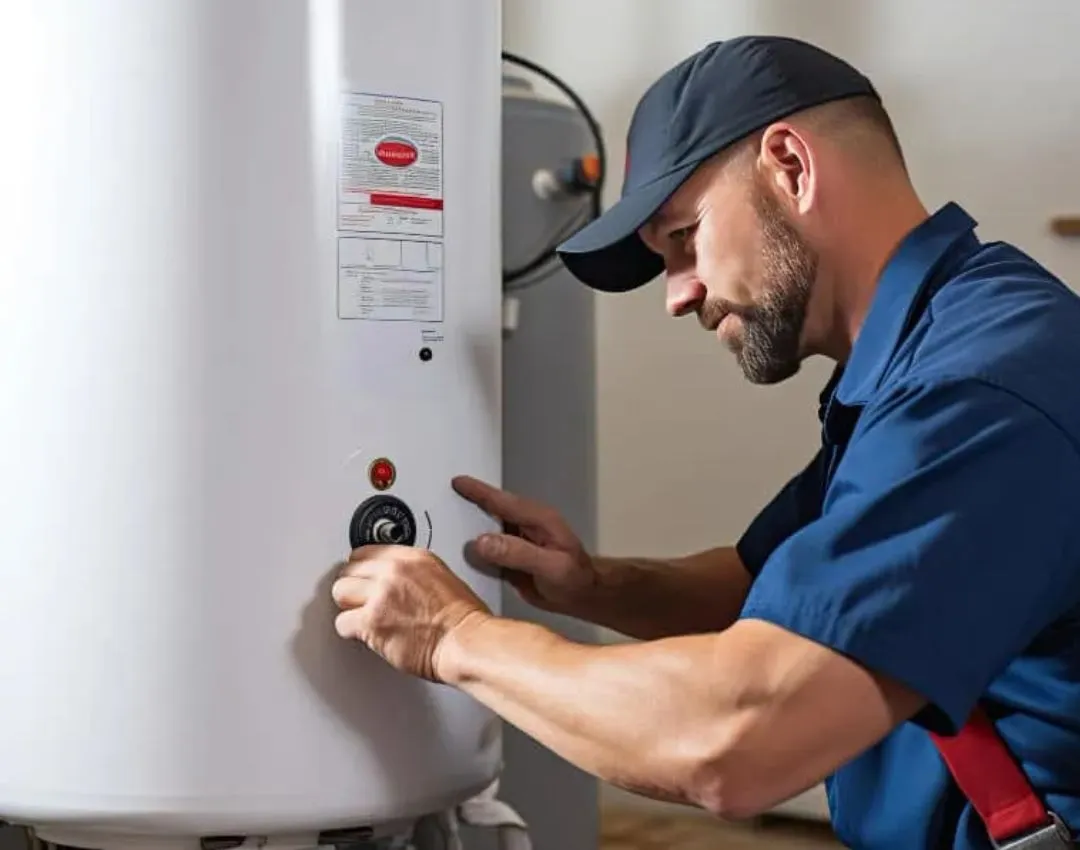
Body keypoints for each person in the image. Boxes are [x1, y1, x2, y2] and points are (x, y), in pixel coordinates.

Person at [330, 35, 1080, 850]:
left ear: (790, 165)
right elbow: (771, 588)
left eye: (683, 238)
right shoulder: (927, 351)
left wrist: (455, 638)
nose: (678, 296)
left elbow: (735, 746)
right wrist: (593, 585)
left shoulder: (979, 389)